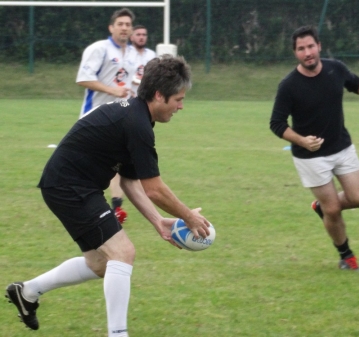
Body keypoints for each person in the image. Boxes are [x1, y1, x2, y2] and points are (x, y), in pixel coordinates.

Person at [5, 55, 211, 336]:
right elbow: (155, 188)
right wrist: (188, 217)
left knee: (100, 263)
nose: (181, 106)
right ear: (160, 95)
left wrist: (157, 222)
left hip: (72, 185)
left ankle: (28, 292)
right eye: (178, 99)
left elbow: (129, 180)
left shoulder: (138, 116)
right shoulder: (137, 124)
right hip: (69, 186)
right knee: (123, 253)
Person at [269, 26, 359, 271]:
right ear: (295, 53)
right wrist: (301, 140)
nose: (307, 53)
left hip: (341, 147)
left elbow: (357, 84)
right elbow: (276, 123)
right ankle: (346, 255)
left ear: (319, 46)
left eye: (310, 46)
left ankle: (320, 207)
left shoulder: (336, 68)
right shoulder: (289, 85)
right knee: (333, 209)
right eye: (301, 49)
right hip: (310, 156)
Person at [76, 8, 138, 224]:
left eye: (128, 24)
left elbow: (130, 82)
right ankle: (90, 207)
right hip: (94, 120)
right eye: (120, 24)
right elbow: (83, 79)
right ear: (111, 27)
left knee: (117, 163)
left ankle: (116, 209)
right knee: (91, 169)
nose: (124, 28)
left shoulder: (132, 54)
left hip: (119, 120)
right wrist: (114, 91)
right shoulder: (99, 49)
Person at [130, 25, 157, 96]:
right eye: (138, 35)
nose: (141, 37)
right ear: (131, 37)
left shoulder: (152, 55)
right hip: (130, 96)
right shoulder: (126, 54)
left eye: (144, 35)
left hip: (147, 96)